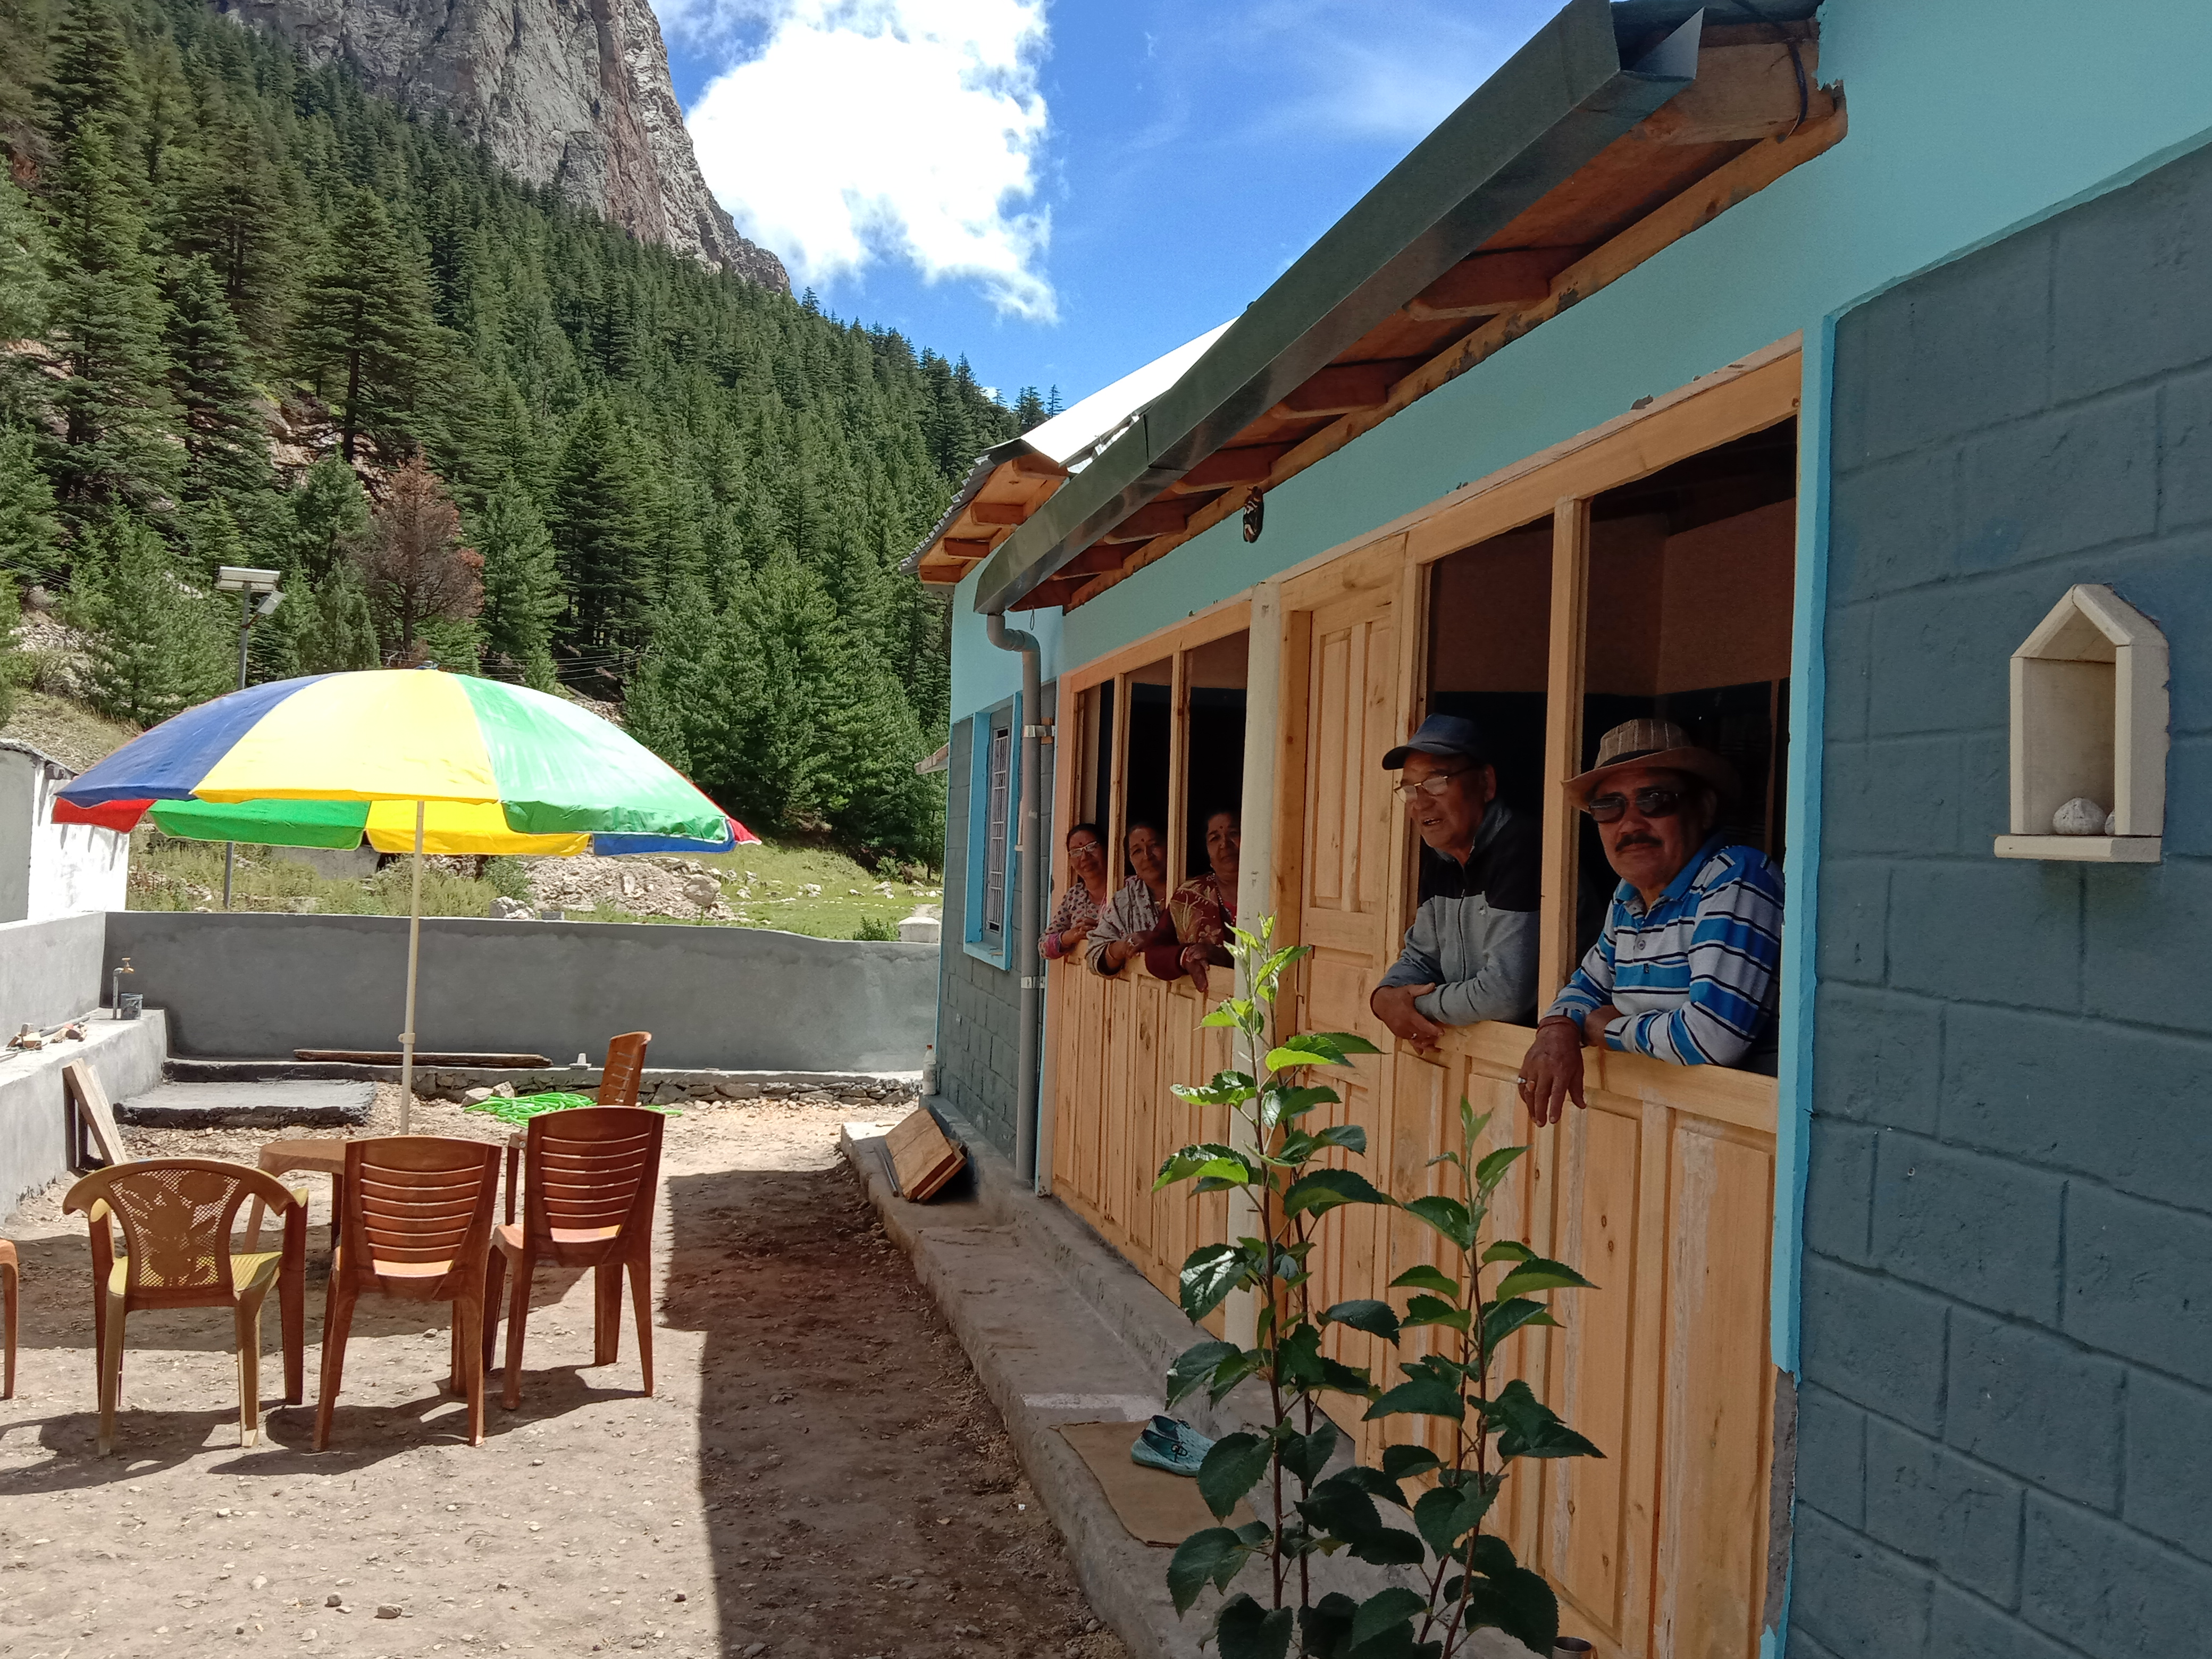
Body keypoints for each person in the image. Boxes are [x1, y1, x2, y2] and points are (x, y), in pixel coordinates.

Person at [1518, 718, 1784, 1126]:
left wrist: (1607, 1030)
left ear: (1704, 808)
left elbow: (1711, 1037)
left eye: (1655, 800)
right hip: (1663, 1125)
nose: (1630, 824)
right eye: (1609, 807)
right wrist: (1557, 1029)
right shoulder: (1628, 897)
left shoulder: (1735, 876)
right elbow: (1587, 986)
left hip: (1741, 1134)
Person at [1371, 715, 1541, 1050]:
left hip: (1529, 1055)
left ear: (1486, 783)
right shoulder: (1444, 858)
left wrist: (1413, 1007)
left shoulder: (1523, 848)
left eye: (1436, 782)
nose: (1420, 802)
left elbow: (1505, 995)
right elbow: (1421, 960)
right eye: (1409, 789)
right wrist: (1384, 998)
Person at [1145, 807, 1239, 984]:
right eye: (1215, 838)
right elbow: (1154, 953)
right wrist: (1187, 957)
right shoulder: (1189, 896)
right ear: (1207, 850)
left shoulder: (1276, 890)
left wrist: (1226, 957)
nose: (1225, 844)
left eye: (1234, 833)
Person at [1087, 820, 1169, 976]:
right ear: (1130, 860)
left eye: (1154, 845)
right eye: (1137, 851)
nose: (1147, 856)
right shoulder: (1125, 900)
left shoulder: (1195, 892)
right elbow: (1095, 954)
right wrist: (1125, 946)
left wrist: (1155, 939)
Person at [1040, 823, 1111, 961]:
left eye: (1091, 847)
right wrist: (1070, 936)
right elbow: (1043, 947)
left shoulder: (1129, 888)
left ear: (1107, 849)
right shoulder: (1075, 895)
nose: (1084, 857)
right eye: (1076, 852)